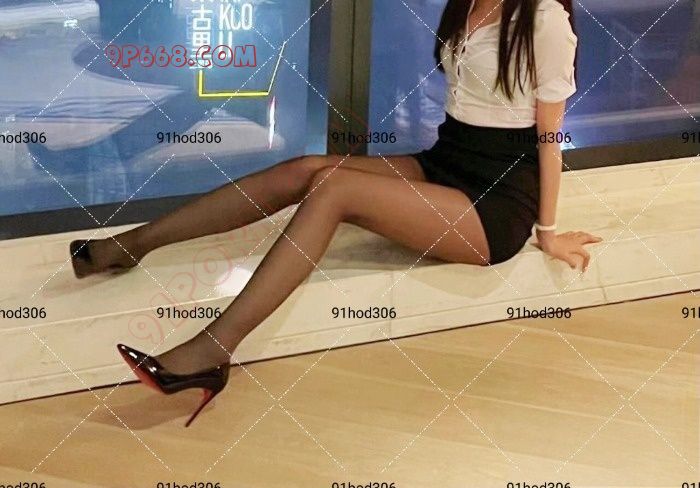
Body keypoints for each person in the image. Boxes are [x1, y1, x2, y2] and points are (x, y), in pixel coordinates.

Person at [72, 0, 602, 426]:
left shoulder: (544, 19)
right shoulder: (466, 4)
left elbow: (549, 137)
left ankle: (213, 350)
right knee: (304, 170)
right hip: (446, 163)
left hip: (495, 204)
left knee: (333, 189)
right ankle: (130, 246)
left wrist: (548, 232)